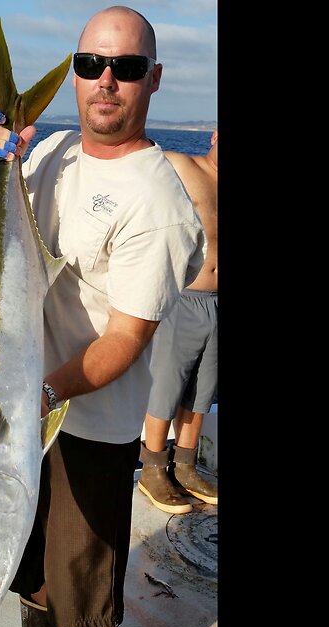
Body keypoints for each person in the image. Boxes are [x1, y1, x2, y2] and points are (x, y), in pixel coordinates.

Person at [0, 7, 206, 627]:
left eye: (126, 68)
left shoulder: (159, 201)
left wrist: (32, 391)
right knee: (29, 551)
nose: (106, 81)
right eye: (91, 64)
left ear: (152, 79)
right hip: (22, 405)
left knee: (84, 573)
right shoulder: (52, 150)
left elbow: (124, 341)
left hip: (90, 415)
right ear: (74, 72)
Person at [137, 130, 219, 514]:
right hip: (185, 298)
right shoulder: (184, 166)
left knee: (202, 393)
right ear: (215, 136)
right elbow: (138, 153)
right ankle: (152, 471)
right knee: (167, 386)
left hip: (217, 306)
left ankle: (185, 467)